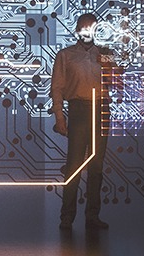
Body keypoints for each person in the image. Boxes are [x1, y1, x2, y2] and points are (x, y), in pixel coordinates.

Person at [51, 13, 117, 230]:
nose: (86, 31)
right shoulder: (66, 55)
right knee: (74, 166)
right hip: (78, 110)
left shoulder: (105, 54)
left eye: (91, 27)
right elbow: (57, 88)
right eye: (83, 27)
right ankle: (67, 217)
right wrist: (60, 118)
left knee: (97, 167)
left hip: (101, 109)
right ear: (76, 29)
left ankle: (92, 216)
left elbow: (116, 82)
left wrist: (116, 67)